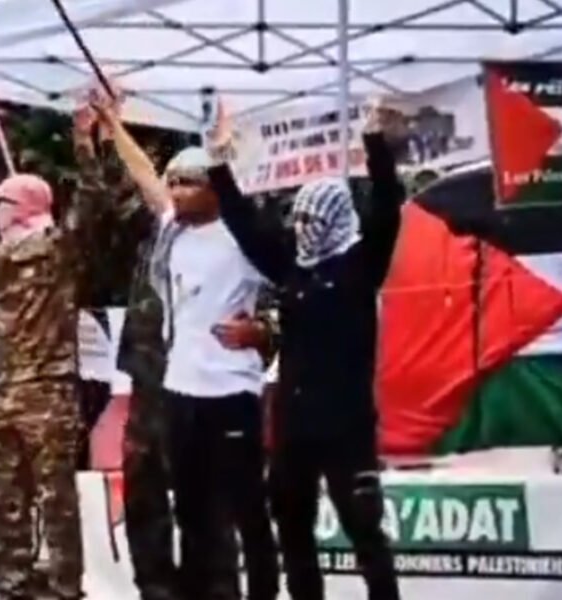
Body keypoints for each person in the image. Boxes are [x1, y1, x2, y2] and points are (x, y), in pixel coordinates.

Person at [205, 100, 405, 600]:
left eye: (312, 220)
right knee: (292, 529)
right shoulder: (291, 266)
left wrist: (375, 141)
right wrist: (218, 162)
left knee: (364, 531)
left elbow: (387, 205)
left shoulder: (362, 265)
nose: (301, 229)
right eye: (298, 220)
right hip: (294, 426)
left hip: (347, 426)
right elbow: (245, 226)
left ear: (334, 219)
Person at [95, 99, 279, 600]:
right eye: (173, 182)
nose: (175, 190)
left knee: (238, 509)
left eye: (187, 182)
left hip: (230, 393)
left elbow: (290, 289)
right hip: (179, 391)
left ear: (214, 187)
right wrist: (114, 127)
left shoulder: (242, 237)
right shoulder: (172, 229)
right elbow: (145, 178)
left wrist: (264, 330)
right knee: (190, 507)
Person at [0, 147, 113, 599]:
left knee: (42, 497)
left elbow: (89, 202)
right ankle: (41, 581)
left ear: (24, 208)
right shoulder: (11, 255)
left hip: (37, 393)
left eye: (2, 204)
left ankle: (49, 581)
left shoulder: (52, 250)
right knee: (17, 496)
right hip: (26, 394)